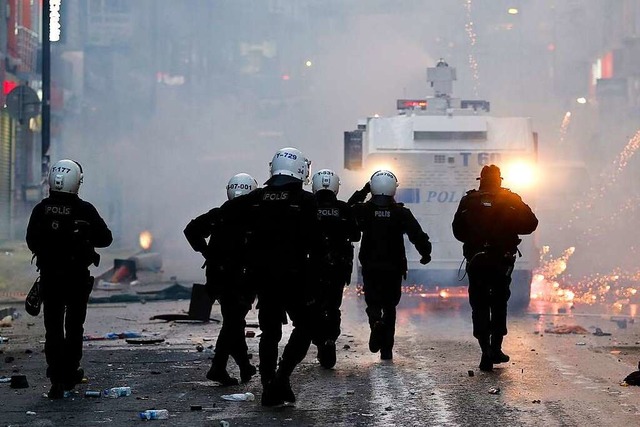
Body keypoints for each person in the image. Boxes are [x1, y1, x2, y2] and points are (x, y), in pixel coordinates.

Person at [240, 147, 323, 406]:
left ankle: (268, 384)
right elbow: (317, 245)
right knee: (307, 326)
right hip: (295, 277)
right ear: (301, 170)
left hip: (262, 277)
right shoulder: (307, 201)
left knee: (270, 332)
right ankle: (282, 377)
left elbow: (235, 231)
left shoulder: (255, 199)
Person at [26, 159, 113, 399]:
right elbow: (106, 238)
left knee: (52, 329)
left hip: (50, 279)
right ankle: (69, 373)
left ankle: (56, 378)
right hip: (75, 279)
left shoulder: (40, 210)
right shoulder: (84, 210)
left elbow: (31, 240)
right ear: (76, 181)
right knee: (74, 327)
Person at [452, 164, 538, 372]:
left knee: (479, 304)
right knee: (499, 302)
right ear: (500, 180)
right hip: (502, 260)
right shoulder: (511, 199)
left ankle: (485, 350)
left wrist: (474, 241)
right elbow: (531, 223)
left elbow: (457, 230)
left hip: (476, 260)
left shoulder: (469, 200)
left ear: (480, 180)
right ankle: (496, 347)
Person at [183, 173, 259, 386]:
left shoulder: (220, 214)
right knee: (234, 321)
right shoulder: (254, 217)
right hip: (240, 278)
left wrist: (207, 253)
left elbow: (191, 230)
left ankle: (244, 366)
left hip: (218, 276)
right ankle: (218, 367)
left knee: (233, 321)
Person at [348, 170, 432, 360]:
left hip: (370, 267)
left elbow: (347, 209)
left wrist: (363, 191)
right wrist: (425, 252)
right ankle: (386, 350)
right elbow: (417, 235)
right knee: (390, 307)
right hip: (394, 268)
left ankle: (376, 322)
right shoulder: (401, 212)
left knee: (373, 303)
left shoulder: (363, 211)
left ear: (373, 187)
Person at [310, 169, 360, 369]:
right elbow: (356, 235)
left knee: (314, 306)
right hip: (338, 267)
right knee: (332, 307)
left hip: (312, 267)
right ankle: (330, 339)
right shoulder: (344, 209)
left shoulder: (308, 206)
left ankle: (320, 340)